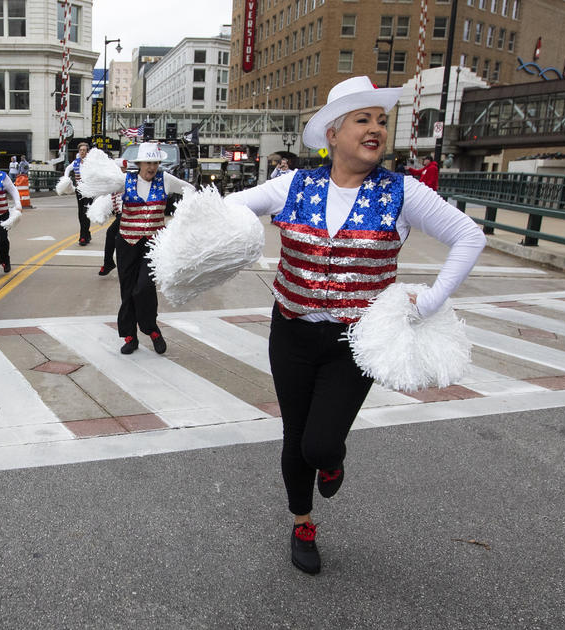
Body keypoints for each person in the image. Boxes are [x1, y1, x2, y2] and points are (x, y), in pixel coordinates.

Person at [225, 76, 485, 575]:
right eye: (363, 120)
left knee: (320, 444)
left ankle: (332, 457)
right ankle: (303, 523)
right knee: (295, 437)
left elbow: (469, 237)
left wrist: (429, 301)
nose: (376, 130)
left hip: (357, 339)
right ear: (333, 133)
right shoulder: (293, 184)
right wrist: (228, 242)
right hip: (292, 329)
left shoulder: (401, 191)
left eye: (381, 121)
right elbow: (230, 210)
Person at [114, 143, 194, 354]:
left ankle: (152, 329)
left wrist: (184, 219)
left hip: (153, 243)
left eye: (156, 162)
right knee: (128, 290)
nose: (152, 167)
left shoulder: (165, 179)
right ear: (139, 163)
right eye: (148, 162)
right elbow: (104, 189)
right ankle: (130, 337)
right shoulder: (125, 179)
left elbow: (191, 190)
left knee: (144, 288)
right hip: (127, 241)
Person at [64, 142, 92, 245]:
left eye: (84, 150)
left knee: (85, 213)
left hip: (89, 191)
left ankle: (83, 237)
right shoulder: (76, 162)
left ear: (87, 152)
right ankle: (87, 234)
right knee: (81, 214)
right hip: (79, 190)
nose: (82, 152)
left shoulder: (91, 162)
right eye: (80, 150)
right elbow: (67, 169)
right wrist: (66, 178)